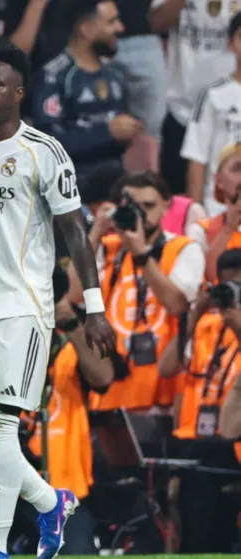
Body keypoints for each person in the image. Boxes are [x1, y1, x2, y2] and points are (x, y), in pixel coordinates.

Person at [0, 40, 115, 559]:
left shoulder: (42, 150)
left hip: (22, 308)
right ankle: (48, 502)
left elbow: (75, 233)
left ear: (19, 92)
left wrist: (94, 307)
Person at [0, 265, 112, 556]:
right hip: (11, 479)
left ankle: (51, 513)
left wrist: (72, 324)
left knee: (79, 552)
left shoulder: (72, 345)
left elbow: (103, 377)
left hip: (64, 485)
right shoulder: (1, 341)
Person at [87, 172, 204, 411]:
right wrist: (96, 233)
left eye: (148, 206)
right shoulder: (108, 248)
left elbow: (176, 304)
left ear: (166, 207)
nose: (140, 214)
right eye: (132, 206)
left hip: (164, 387)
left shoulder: (184, 248)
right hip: (114, 382)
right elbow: (74, 295)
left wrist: (140, 254)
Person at [157, 248, 241, 552]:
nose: (232, 295)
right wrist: (194, 313)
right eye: (226, 287)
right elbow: (166, 369)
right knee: (195, 537)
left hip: (234, 443)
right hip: (198, 442)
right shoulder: (205, 325)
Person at [30, 0, 137, 181]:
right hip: (70, 185)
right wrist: (106, 132)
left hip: (115, 183)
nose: (121, 28)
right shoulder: (54, 77)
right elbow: (48, 142)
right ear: (86, 29)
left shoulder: (115, 75)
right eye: (112, 22)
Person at [181, 12, 241, 216]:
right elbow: (197, 158)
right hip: (217, 210)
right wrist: (196, 215)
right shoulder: (213, 95)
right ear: (230, 44)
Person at [187, 144, 241, 281]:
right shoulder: (200, 231)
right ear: (219, 181)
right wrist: (228, 228)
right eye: (237, 168)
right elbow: (210, 278)